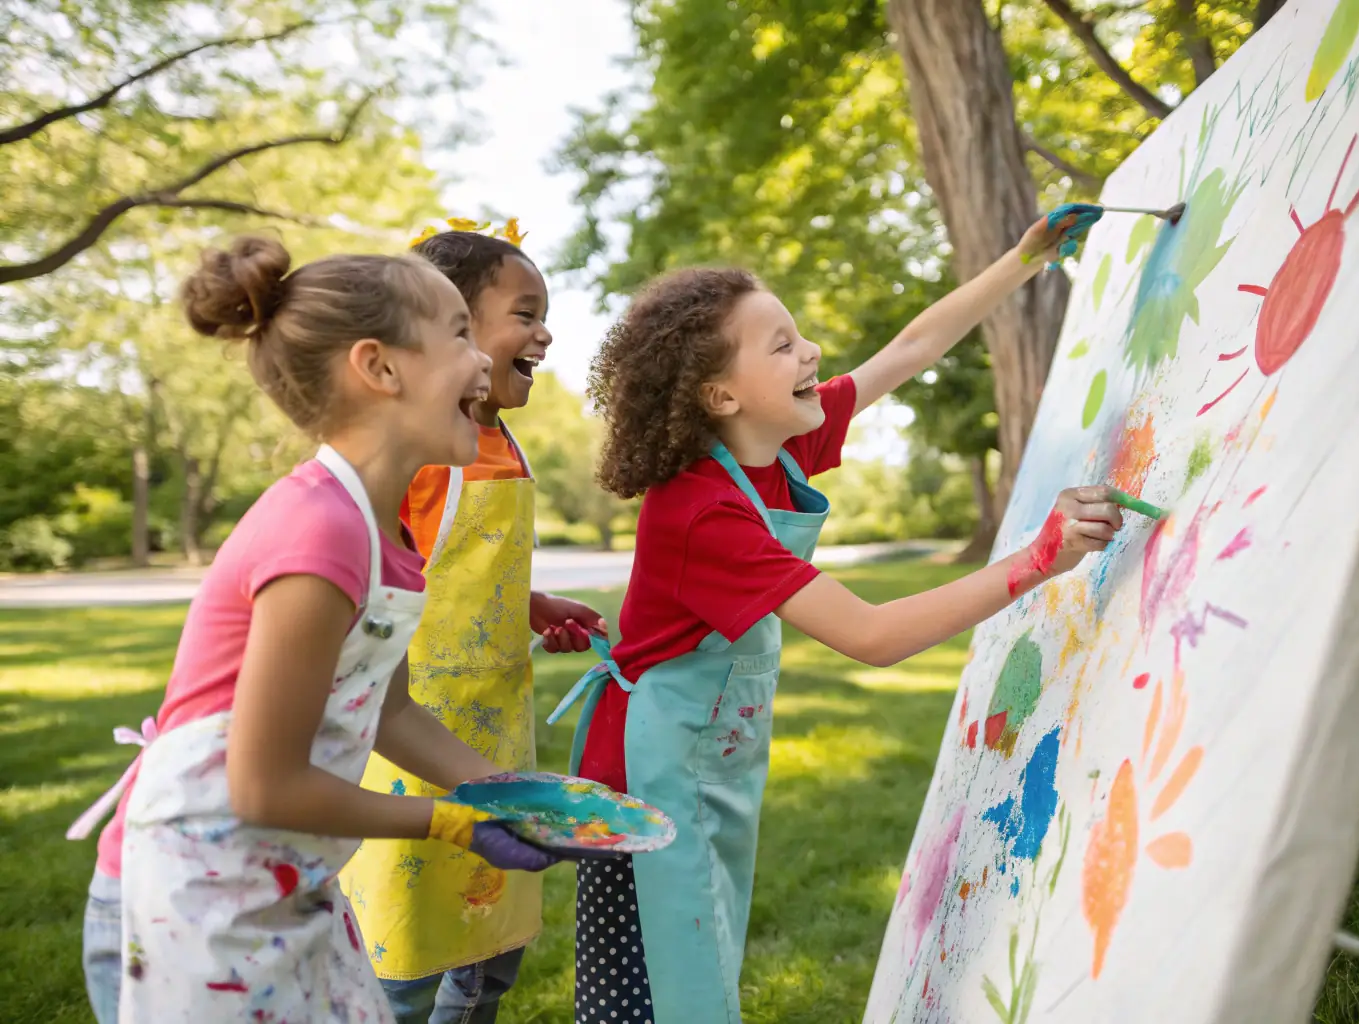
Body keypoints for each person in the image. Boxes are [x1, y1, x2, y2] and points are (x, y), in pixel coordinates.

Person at [547, 213, 1118, 1024]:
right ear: (721, 395)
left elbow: (912, 349)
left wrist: (1021, 259)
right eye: (781, 345)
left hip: (709, 751)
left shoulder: (777, 448)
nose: (809, 351)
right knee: (658, 991)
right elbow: (871, 636)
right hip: (650, 774)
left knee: (704, 959)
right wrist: (1039, 557)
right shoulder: (700, 513)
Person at [70, 235, 558, 1024]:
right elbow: (263, 785)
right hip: (194, 892)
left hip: (285, 876)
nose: (480, 362)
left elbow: (389, 710)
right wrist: (454, 822)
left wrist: (512, 793)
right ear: (380, 367)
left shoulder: (381, 530)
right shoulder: (318, 530)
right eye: (460, 334)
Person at [341, 220, 607, 1024]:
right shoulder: (420, 452)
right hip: (412, 732)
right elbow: (391, 581)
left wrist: (530, 605)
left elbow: (465, 565)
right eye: (523, 312)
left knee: (492, 943)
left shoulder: (501, 441)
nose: (544, 331)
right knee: (405, 951)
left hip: (497, 719)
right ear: (446, 329)